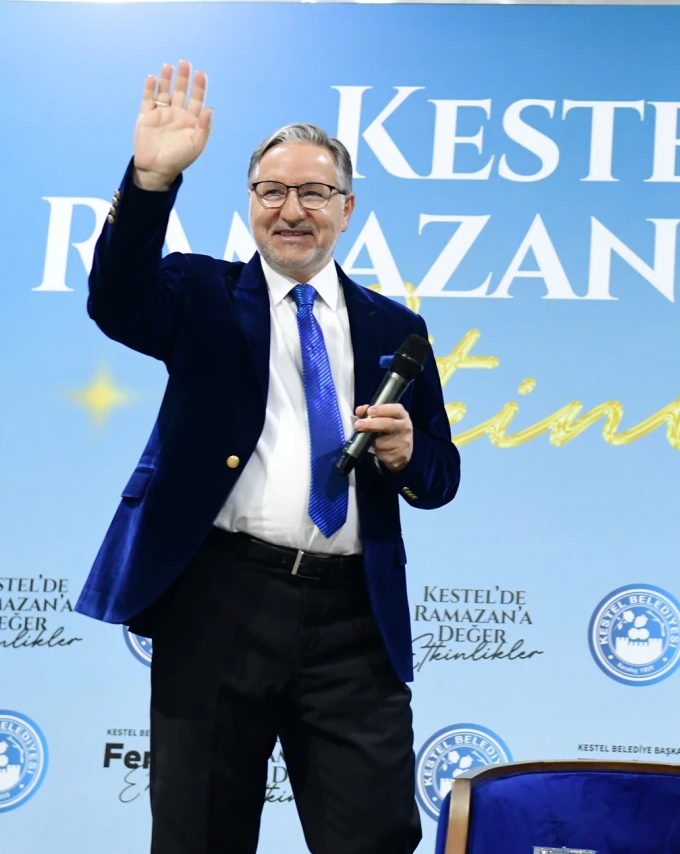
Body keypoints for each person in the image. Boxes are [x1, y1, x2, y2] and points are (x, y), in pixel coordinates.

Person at [74, 59, 460, 853]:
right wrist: (151, 180)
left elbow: (441, 475)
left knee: (376, 838)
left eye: (313, 193)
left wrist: (409, 453)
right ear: (250, 203)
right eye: (271, 192)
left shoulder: (397, 328)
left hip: (354, 619)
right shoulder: (201, 294)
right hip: (219, 602)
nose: (290, 210)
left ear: (346, 208)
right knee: (198, 836)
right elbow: (114, 300)